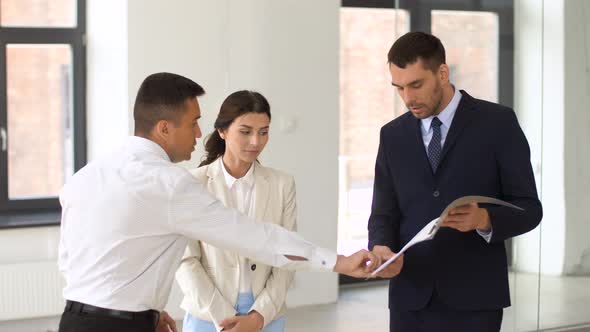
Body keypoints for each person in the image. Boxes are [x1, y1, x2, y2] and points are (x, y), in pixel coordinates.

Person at [57, 72, 379, 332]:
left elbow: (73, 259)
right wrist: (336, 262)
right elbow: (255, 237)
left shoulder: (85, 176)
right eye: (193, 122)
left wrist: (147, 312)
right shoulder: (171, 184)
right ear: (165, 128)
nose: (199, 133)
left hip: (74, 320)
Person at [368, 32, 543, 332]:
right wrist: (382, 248)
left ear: (442, 73)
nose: (408, 98)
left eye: (416, 85)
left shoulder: (497, 123)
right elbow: (383, 213)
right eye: (399, 88)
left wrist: (486, 219)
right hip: (410, 298)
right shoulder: (392, 135)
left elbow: (529, 208)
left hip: (476, 300)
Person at [176, 90, 295, 332]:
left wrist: (259, 316)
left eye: (263, 132)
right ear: (222, 131)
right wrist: (224, 319)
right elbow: (185, 260)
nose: (256, 142)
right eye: (245, 132)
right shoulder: (191, 184)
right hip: (208, 315)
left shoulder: (283, 184)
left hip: (266, 314)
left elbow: (288, 257)